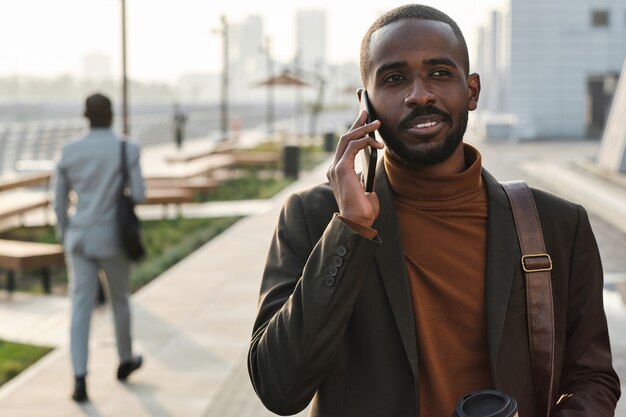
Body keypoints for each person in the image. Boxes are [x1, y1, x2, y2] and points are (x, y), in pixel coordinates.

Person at [247, 4, 620, 417]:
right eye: (393, 78)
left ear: (472, 91)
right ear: (364, 103)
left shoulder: (556, 226)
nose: (419, 94)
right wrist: (350, 229)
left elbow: (593, 378)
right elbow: (278, 388)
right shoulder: (315, 217)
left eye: (440, 74)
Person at [53, 93, 145, 403]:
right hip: (114, 238)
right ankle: (125, 358)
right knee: (120, 299)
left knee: (80, 306)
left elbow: (58, 203)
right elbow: (141, 195)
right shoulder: (127, 148)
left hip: (80, 238)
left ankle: (79, 378)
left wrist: (68, 234)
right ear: (112, 115)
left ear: (85, 116)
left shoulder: (69, 152)